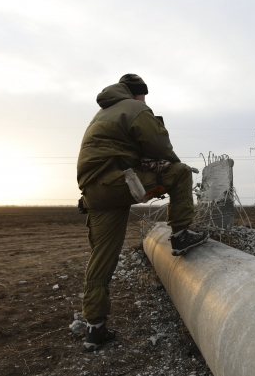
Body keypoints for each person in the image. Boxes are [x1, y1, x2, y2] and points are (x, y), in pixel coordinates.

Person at [76, 74, 209, 351]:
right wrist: (167, 166)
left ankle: (94, 328)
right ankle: (181, 234)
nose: (145, 100)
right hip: (120, 182)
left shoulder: (101, 114)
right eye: (144, 95)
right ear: (137, 93)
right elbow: (159, 144)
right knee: (181, 172)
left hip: (94, 192)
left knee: (102, 257)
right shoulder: (135, 109)